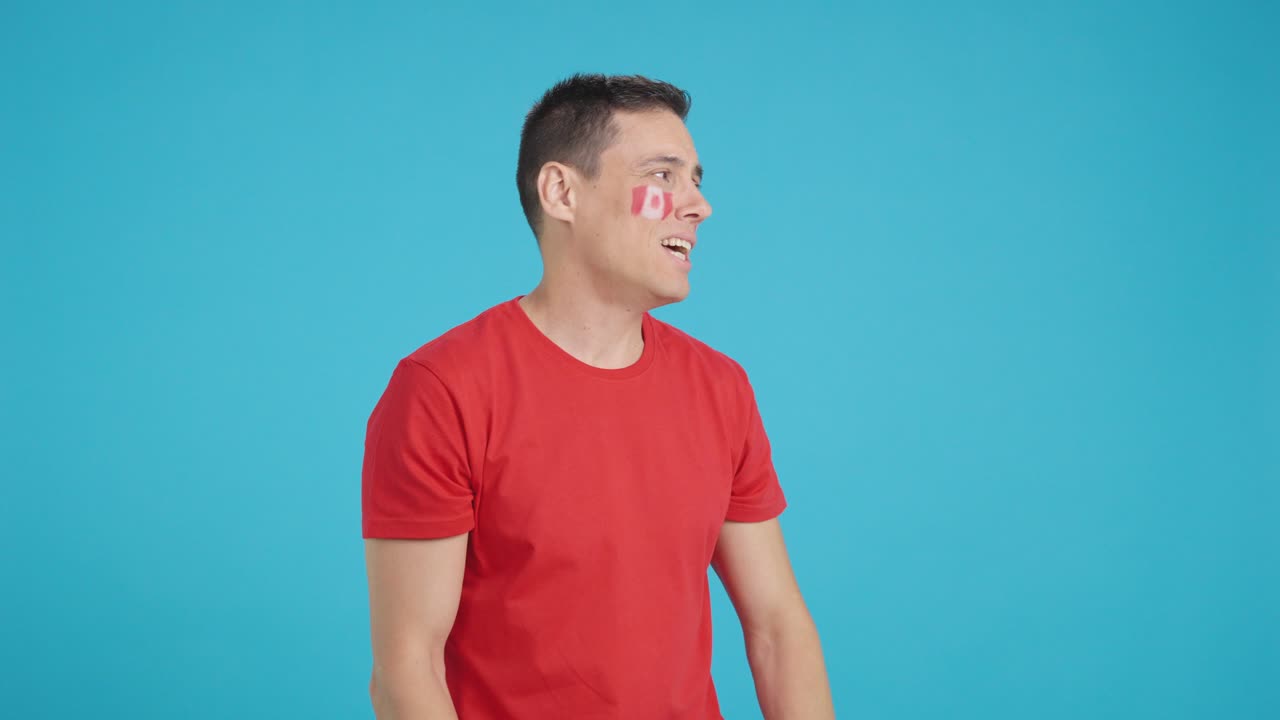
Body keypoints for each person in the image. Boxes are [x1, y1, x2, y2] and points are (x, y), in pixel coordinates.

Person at [361, 73, 835, 719]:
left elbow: (777, 626)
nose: (697, 205)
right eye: (663, 176)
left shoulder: (721, 389)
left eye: (696, 179)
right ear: (561, 192)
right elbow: (406, 668)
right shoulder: (443, 391)